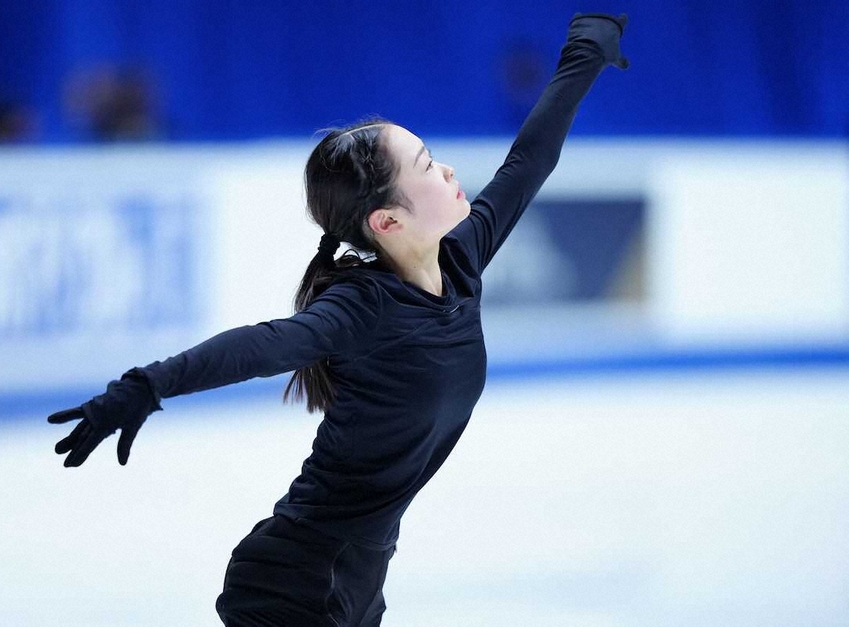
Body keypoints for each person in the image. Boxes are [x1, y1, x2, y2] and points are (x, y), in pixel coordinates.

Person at [48, 13, 629, 627]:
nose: (451, 171)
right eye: (428, 167)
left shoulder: (461, 260)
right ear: (387, 222)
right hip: (294, 584)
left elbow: (528, 161)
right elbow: (262, 346)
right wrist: (147, 385)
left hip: (354, 585)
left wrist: (583, 51)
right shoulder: (364, 307)